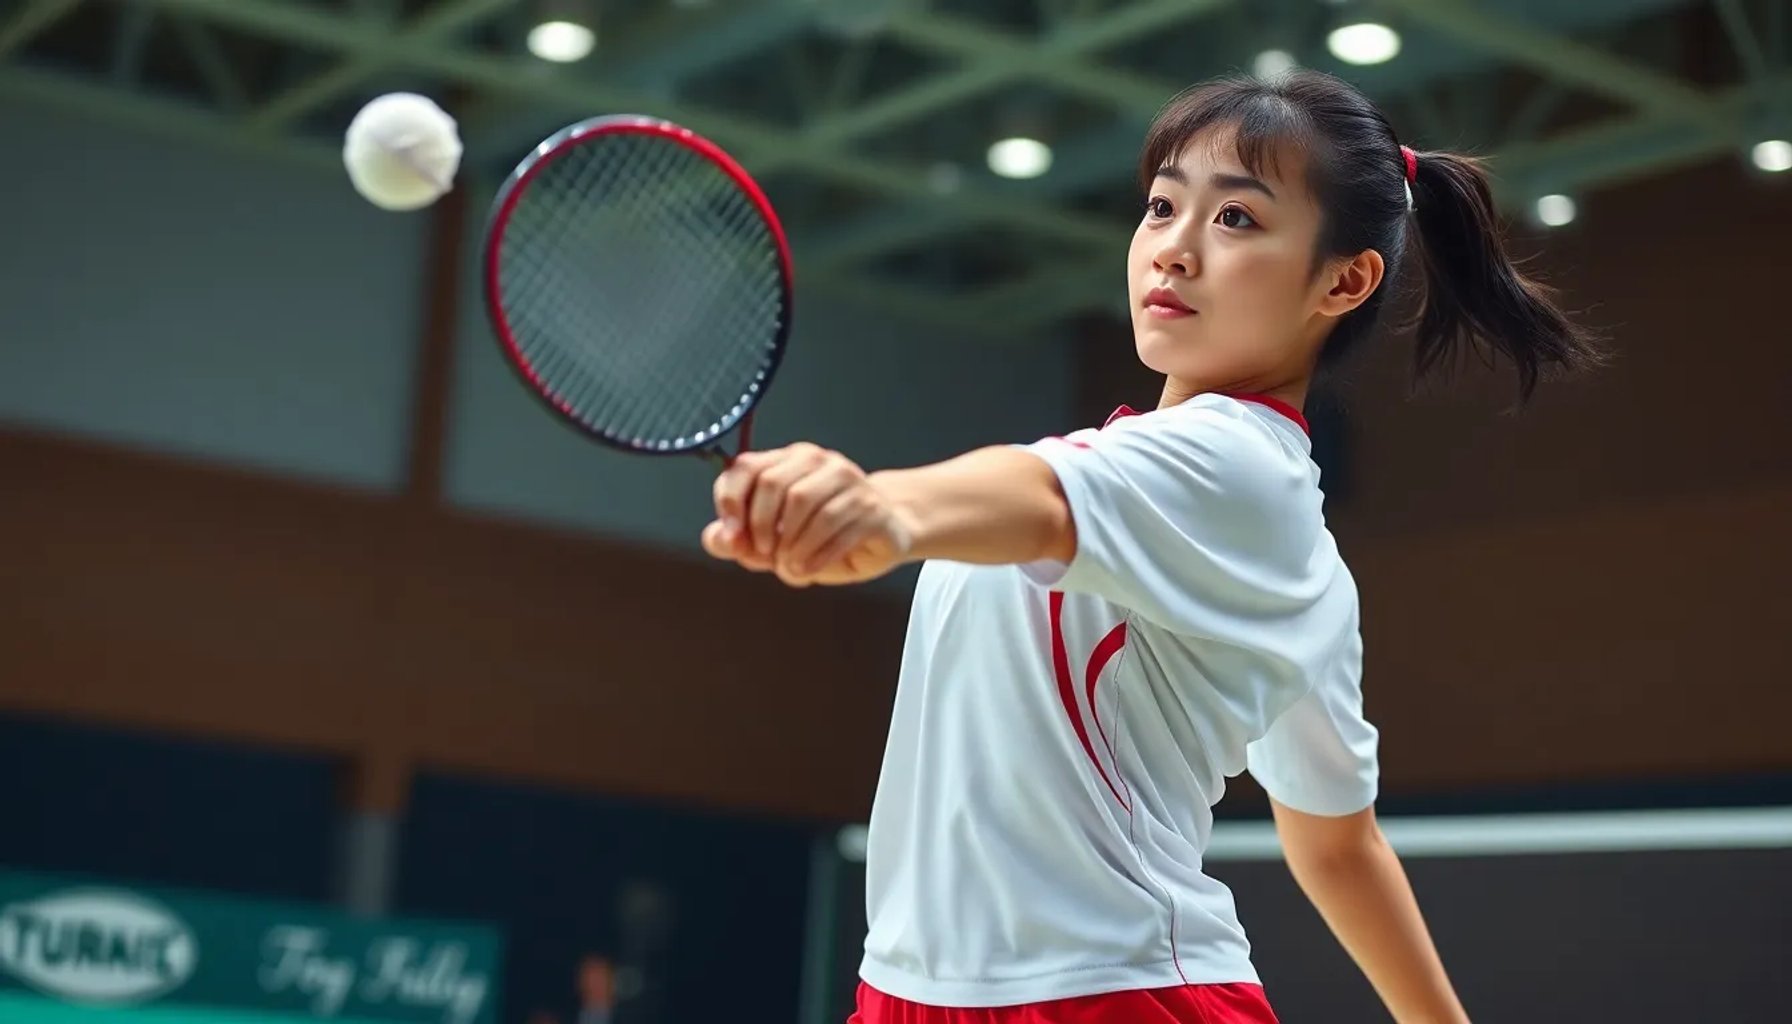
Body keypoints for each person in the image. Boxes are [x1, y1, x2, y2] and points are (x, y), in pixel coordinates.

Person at [701, 69, 1602, 1024]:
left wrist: (882, 508)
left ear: (1344, 279)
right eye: (1162, 206)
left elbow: (1042, 500)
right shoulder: (1300, 563)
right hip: (912, 992)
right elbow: (1336, 845)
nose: (1172, 250)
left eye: (1237, 221)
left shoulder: (1236, 466)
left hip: (1116, 995)